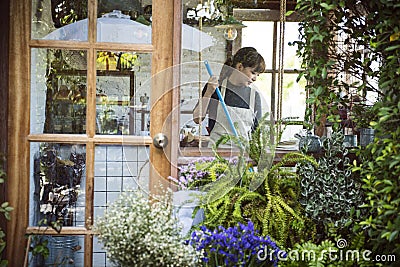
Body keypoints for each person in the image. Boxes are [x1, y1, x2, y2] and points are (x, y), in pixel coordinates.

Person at [193, 47, 266, 146]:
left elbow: (257, 132)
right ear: (240, 66)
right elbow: (197, 119)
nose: (255, 79)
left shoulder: (254, 96)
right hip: (216, 154)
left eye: (258, 75)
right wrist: (208, 93)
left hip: (243, 155)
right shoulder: (215, 87)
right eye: (253, 73)